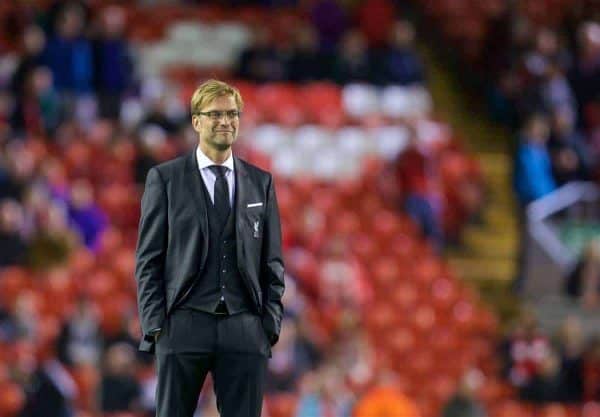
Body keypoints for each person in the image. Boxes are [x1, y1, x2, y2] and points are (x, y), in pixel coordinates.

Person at [135, 79, 285, 417]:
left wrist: (268, 326)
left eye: (232, 113)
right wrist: (157, 326)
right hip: (183, 324)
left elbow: (272, 262)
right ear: (196, 121)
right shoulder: (165, 179)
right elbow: (148, 260)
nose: (226, 121)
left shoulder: (262, 182)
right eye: (215, 113)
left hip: (245, 327)